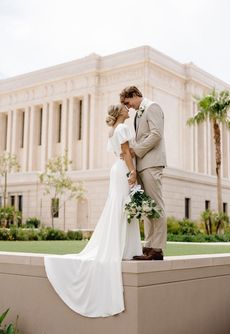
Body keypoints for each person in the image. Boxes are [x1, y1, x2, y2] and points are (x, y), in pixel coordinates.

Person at [44, 104, 142, 318]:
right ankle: (124, 249)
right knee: (123, 207)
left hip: (116, 169)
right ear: (120, 113)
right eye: (125, 108)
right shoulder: (123, 128)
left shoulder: (113, 130)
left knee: (120, 206)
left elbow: (124, 151)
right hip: (123, 169)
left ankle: (124, 247)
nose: (128, 109)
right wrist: (133, 172)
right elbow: (125, 152)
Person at [120, 86, 167, 261]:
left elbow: (156, 134)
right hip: (142, 165)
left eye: (128, 102)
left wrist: (135, 151)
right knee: (148, 208)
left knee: (157, 205)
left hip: (152, 163)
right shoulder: (139, 113)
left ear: (135, 95)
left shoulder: (153, 107)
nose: (128, 107)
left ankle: (158, 248)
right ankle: (149, 247)